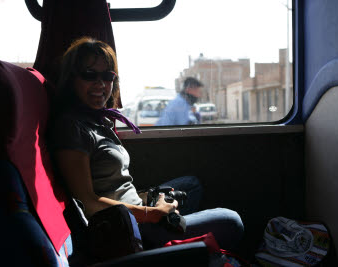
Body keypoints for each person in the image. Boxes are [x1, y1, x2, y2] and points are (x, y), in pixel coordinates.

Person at [48, 37, 243, 251]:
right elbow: (88, 203)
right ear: (71, 79)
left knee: (190, 185)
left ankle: (175, 243)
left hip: (136, 208)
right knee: (231, 221)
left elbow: (118, 186)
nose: (101, 84)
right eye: (89, 75)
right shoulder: (71, 127)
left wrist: (151, 200)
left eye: (107, 76)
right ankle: (165, 246)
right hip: (126, 227)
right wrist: (153, 214)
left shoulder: (96, 119)